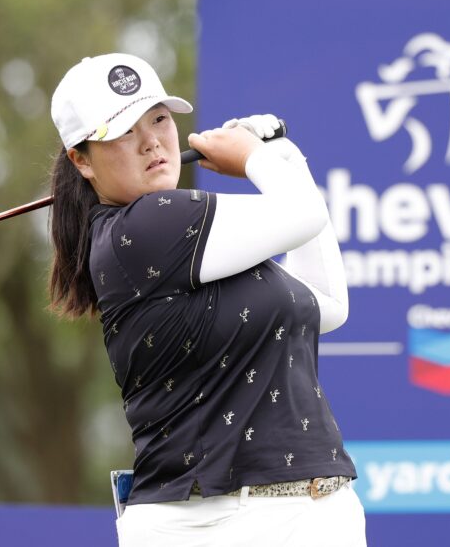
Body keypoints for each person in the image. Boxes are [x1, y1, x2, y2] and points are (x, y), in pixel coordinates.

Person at [48, 53, 366, 547]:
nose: (152, 140)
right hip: (224, 522)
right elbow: (303, 214)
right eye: (123, 131)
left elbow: (326, 303)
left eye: (158, 119)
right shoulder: (150, 224)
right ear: (81, 159)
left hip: (304, 514)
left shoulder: (180, 243)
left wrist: (285, 158)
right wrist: (253, 158)